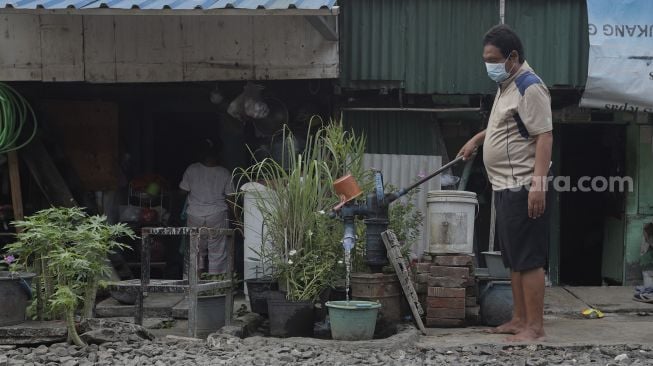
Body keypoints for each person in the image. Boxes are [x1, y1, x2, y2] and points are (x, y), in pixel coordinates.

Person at [459, 24, 553, 342]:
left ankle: (535, 327)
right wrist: (476, 139)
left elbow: (544, 135)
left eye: (493, 58)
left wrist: (537, 185)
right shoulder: (507, 85)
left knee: (529, 259)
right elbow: (504, 125)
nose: (489, 65)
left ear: (512, 57)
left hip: (523, 184)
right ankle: (518, 319)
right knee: (513, 258)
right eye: (485, 58)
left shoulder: (529, 86)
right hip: (504, 186)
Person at [180, 139, 235, 275]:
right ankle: (216, 284)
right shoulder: (224, 172)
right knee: (218, 250)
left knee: (196, 250)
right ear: (218, 155)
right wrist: (237, 218)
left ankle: (196, 283)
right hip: (217, 215)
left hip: (195, 215)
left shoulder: (192, 169)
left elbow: (183, 190)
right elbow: (231, 199)